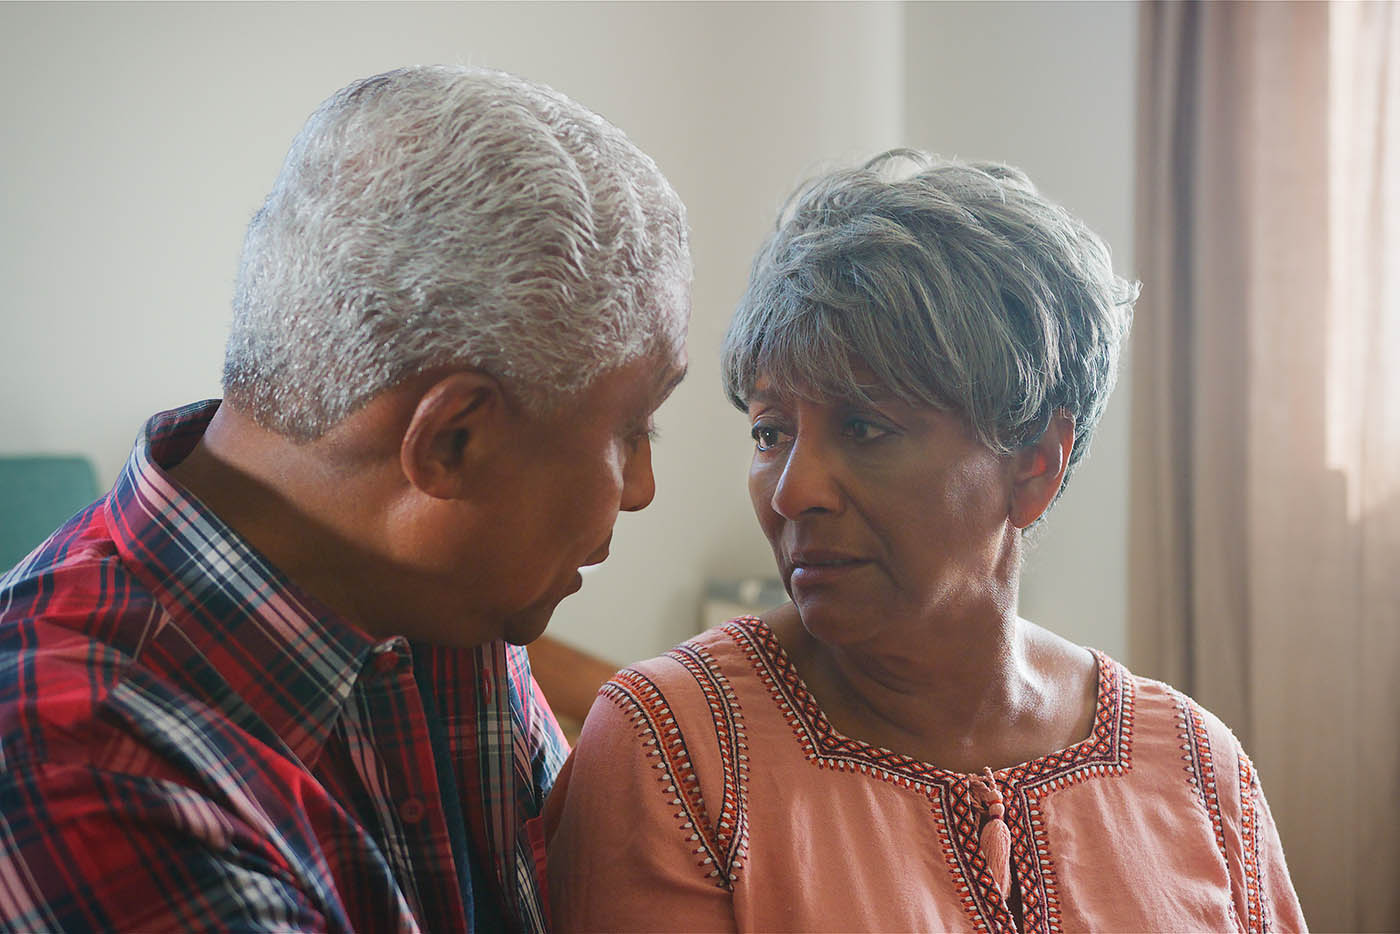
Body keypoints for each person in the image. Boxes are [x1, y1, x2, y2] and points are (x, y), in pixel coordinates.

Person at [0, 65, 688, 932]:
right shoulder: (77, 773)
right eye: (633, 429)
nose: (643, 491)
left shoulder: (430, 596)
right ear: (450, 444)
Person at [544, 151, 1305, 932]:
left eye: (865, 427)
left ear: (1034, 466)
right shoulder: (677, 749)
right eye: (770, 431)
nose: (792, 490)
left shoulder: (1191, 764)